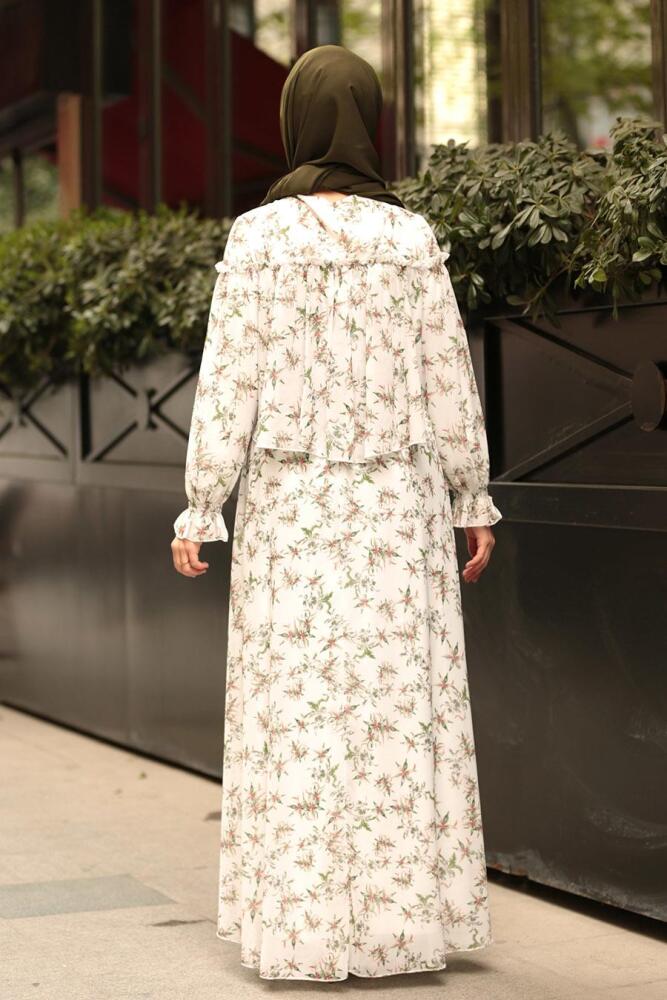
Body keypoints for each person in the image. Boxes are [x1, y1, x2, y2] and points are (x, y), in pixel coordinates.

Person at [171, 43, 502, 982]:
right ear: (369, 119)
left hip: (292, 516)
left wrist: (202, 504)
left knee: (298, 710)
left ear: (295, 121)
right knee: (398, 711)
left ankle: (304, 925)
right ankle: (403, 927)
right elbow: (446, 375)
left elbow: (228, 382)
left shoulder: (257, 240)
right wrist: (469, 495)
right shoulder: (410, 239)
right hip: (395, 511)